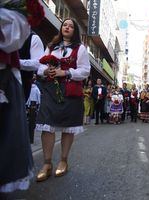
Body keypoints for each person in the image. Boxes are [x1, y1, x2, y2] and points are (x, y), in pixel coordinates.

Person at [35, 18, 90, 182]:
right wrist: (47, 71)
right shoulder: (51, 47)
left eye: (71, 26)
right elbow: (39, 66)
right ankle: (46, 163)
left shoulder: (80, 49)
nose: (67, 27)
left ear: (75, 31)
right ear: (61, 28)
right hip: (51, 90)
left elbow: (85, 70)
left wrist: (65, 73)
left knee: (68, 127)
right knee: (47, 125)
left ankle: (63, 161)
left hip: (71, 92)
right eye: (65, 25)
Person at [0, 3, 34, 193]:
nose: (66, 28)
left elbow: (37, 63)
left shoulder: (33, 36)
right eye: (65, 24)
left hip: (7, 77)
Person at [26, 75, 41, 143]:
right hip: (34, 105)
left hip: (28, 104)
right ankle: (30, 139)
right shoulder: (36, 88)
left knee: (27, 120)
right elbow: (39, 96)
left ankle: (28, 138)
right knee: (32, 121)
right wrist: (39, 104)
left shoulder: (28, 88)